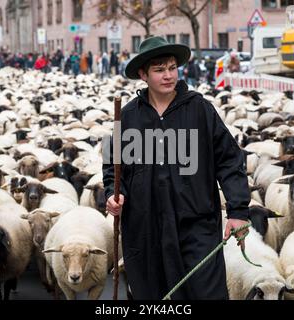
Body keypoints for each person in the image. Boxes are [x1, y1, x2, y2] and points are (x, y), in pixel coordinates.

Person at [102, 36, 251, 300]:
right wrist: (114, 195)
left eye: (172, 67)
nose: (168, 75)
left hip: (195, 226)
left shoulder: (200, 110)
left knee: (206, 294)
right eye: (159, 70)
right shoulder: (126, 116)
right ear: (143, 74)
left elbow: (229, 159)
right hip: (145, 229)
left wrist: (238, 210)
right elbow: (112, 169)